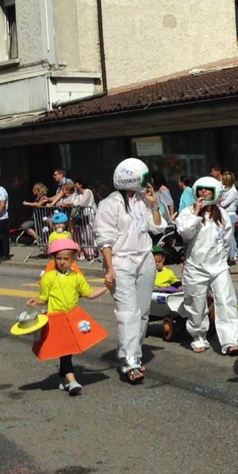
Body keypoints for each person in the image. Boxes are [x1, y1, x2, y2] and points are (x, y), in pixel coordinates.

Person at [95, 158, 165, 384]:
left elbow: (157, 227)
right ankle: (130, 361)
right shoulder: (110, 204)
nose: (147, 182)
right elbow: (104, 238)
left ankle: (134, 351)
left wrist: (154, 204)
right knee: (128, 313)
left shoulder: (143, 201)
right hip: (121, 261)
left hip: (145, 259)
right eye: (143, 178)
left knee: (143, 311)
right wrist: (110, 268)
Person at [24, 239, 108, 395]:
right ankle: (72, 381)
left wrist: (106, 287)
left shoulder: (77, 277)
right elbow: (44, 298)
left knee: (68, 351)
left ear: (73, 259)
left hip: (73, 318)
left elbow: (89, 294)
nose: (62, 262)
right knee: (65, 351)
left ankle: (62, 376)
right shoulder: (49, 277)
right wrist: (36, 301)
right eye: (58, 258)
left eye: (66, 259)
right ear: (54, 258)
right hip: (56, 319)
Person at [176, 175, 238, 357]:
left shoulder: (222, 214)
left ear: (216, 192)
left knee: (226, 301)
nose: (204, 192)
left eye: (208, 190)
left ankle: (230, 341)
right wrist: (196, 212)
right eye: (201, 189)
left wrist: (223, 259)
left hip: (218, 266)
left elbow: (227, 240)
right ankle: (198, 337)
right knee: (196, 304)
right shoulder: (188, 212)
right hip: (195, 266)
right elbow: (185, 233)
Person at [218, 170, 238, 267]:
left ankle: (232, 256)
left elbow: (224, 203)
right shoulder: (225, 189)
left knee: (230, 236)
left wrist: (219, 203)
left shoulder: (233, 192)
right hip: (224, 215)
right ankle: (227, 255)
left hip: (230, 215)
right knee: (225, 235)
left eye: (224, 180)